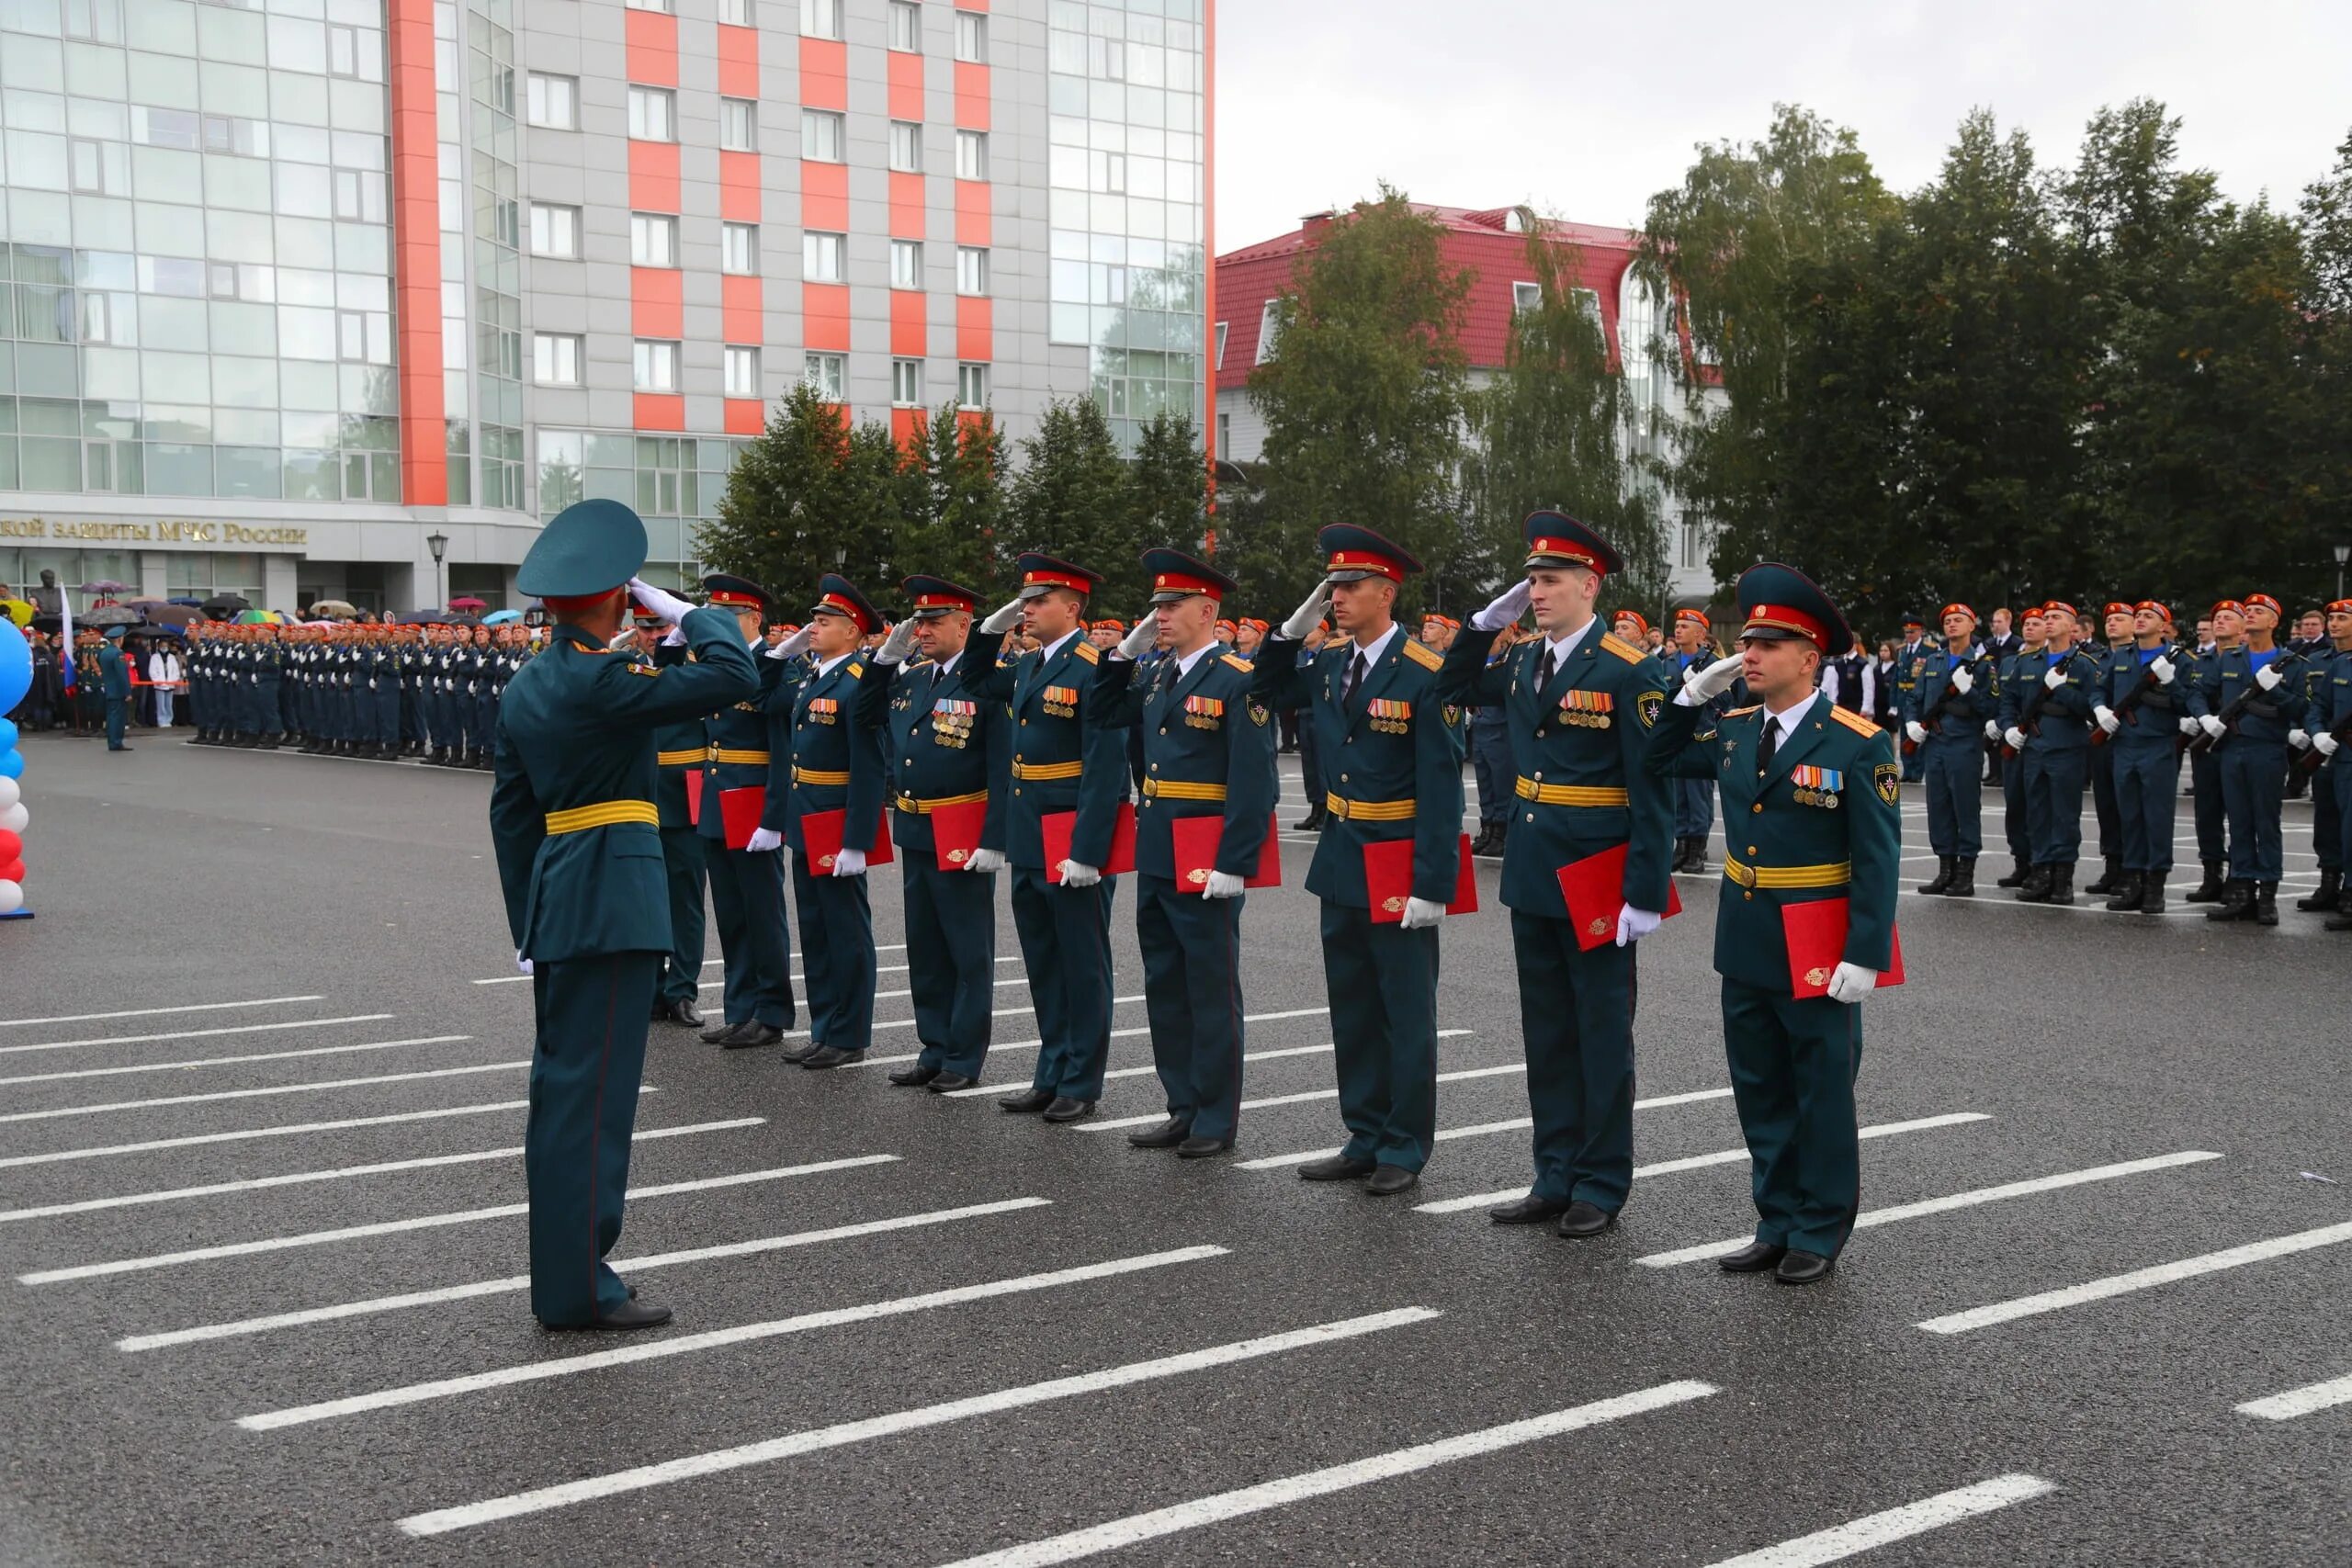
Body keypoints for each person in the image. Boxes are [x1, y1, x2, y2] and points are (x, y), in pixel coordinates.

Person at [487, 497, 758, 1331]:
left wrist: (528, 921)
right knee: (595, 1100)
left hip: (564, 899)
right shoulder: (604, 676)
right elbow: (738, 676)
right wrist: (692, 612)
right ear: (617, 598)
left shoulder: (528, 683)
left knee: (564, 1092)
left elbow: (512, 818)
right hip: (614, 898)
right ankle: (581, 1288)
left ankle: (568, 1274)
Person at [1647, 562, 1900, 1286]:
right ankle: (1776, 1218)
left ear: (1810, 658)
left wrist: (1866, 952)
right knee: (1759, 1085)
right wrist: (1690, 693)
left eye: (1768, 644)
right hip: (1749, 931)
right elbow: (1658, 757)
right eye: (1747, 641)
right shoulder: (1731, 730)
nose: (1750, 654)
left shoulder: (1856, 742)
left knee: (1820, 1087)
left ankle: (1819, 1227)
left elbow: (1876, 858)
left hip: (1819, 935)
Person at [1434, 511, 1674, 1239]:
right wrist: (1482, 623)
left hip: (1599, 871)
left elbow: (1653, 785)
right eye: (1530, 581)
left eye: (1549, 581)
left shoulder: (1629, 669)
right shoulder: (1516, 660)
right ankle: (1554, 1172)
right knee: (1547, 1031)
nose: (1535, 593)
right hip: (1537, 869)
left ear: (1588, 585)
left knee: (1600, 1031)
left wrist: (1644, 890)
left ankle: (1601, 1181)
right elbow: (1448, 684)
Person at [1253, 525, 1464, 1195]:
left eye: (1349, 586)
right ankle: (1364, 1131)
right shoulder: (1329, 662)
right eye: (1332, 586)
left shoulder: (1428, 674)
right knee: (1352, 1006)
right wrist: (1289, 630)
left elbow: (1440, 785)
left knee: (1405, 1009)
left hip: (1399, 857)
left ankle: (1404, 1144)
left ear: (1386, 591)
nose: (1337, 597)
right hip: (1343, 854)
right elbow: (1264, 685)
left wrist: (1435, 881)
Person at [1092, 549, 1279, 1158]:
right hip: (1157, 846)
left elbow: (1255, 782)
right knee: (1165, 982)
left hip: (1205, 852)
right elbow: (1103, 713)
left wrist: (1235, 861)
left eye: (1171, 607)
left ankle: (1216, 1117)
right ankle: (1182, 1103)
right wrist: (1120, 656)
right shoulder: (1153, 674)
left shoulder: (1237, 676)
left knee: (1210, 985)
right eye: (1157, 607)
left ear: (1206, 609)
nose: (1161, 616)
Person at [965, 556, 1130, 1122]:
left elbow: (1104, 769)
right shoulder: (1030, 663)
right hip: (1030, 833)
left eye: (1038, 601)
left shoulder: (1095, 667)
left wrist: (1087, 851)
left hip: (1071, 837)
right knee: (1042, 959)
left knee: (1082, 962)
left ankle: (1081, 1081)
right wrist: (991, 628)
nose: (1028, 609)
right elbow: (976, 680)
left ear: (1073, 608)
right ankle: (1051, 1068)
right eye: (1024, 601)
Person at [877, 576, 1009, 1094]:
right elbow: (869, 710)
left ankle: (963, 1055)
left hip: (961, 825)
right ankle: (932, 1047)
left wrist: (993, 837)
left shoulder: (986, 682)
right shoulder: (911, 681)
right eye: (919, 621)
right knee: (925, 946)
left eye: (934, 621)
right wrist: (888, 657)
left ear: (964, 625)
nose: (923, 629)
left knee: (966, 947)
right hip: (914, 824)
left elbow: (1001, 765)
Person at [775, 574, 890, 1068]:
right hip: (807, 819)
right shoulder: (812, 675)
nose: (813, 628)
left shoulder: (859, 682)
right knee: (815, 930)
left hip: (837, 822)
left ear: (853, 631)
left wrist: (857, 839)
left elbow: (869, 766)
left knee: (845, 931)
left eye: (824, 622)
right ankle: (825, 1026)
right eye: (813, 621)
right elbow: (765, 698)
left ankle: (849, 1033)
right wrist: (779, 656)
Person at [693, 574, 798, 1049]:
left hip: (754, 800)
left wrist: (774, 818)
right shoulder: (718, 665)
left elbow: (782, 750)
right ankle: (739, 1008)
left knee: (762, 911)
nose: (721, 624)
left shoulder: (775, 666)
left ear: (755, 618)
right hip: (718, 796)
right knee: (731, 911)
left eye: (728, 616)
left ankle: (771, 1011)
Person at [2194, 592, 2304, 926]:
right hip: (2231, 748)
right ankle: (2241, 893)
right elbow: (2198, 691)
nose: (2252, 614)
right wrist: (2204, 718)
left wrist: (2277, 691)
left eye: (2260, 611)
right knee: (2239, 823)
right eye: (2249, 611)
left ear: (2274, 622)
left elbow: (2301, 708)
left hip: (2267, 751)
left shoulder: (2292, 662)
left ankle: (2268, 895)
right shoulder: (2229, 657)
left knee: (2265, 824)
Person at [632, 609, 708, 1028]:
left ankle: (681, 989)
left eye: (663, 628)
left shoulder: (695, 672)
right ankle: (650, 988)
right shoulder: (621, 669)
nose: (655, 636)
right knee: (642, 901)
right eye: (647, 629)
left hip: (684, 798)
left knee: (684, 900)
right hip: (636, 799)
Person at [2000, 601, 2098, 904]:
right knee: (2037, 814)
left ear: (2072, 627)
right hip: (2034, 748)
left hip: (2067, 748)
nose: (2049, 621)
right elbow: (2008, 702)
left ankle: (2063, 877)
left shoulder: (2084, 665)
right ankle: (2040, 872)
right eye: (2047, 617)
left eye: (2056, 617)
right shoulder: (2027, 662)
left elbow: (2090, 709)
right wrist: (2009, 729)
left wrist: (2062, 689)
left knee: (2065, 815)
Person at [2095, 601, 2187, 913]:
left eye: (2149, 616)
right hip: (2124, 746)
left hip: (2158, 746)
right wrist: (2100, 709)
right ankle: (2132, 881)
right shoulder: (2121, 656)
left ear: (2164, 626)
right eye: (2138, 615)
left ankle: (2155, 886)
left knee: (2157, 818)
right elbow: (2099, 690)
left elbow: (2188, 702)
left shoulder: (2179, 659)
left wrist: (2171, 682)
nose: (2141, 619)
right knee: (2129, 817)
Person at [1906, 604, 1997, 897]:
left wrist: (1969, 691)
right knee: (1939, 808)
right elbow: (1914, 698)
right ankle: (1945, 870)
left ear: (1972, 625)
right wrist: (1911, 724)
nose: (1952, 625)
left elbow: (1991, 709)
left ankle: (1965, 874)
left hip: (1964, 745)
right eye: (1947, 621)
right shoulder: (1933, 661)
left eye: (1959, 620)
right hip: (1935, 744)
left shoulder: (1983, 664)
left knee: (1965, 808)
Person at [2080, 603, 2135, 897]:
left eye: (2120, 619)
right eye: (2110, 619)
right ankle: (2112, 865)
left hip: (2131, 740)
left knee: (2129, 806)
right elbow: (2092, 692)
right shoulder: (2098, 657)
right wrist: (2098, 710)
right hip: (2102, 738)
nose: (2112, 624)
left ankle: (2131, 868)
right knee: (2106, 805)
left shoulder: (2141, 656)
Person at [1668, 608, 1727, 873]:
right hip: (1675, 740)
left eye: (1684, 625)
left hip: (1701, 738)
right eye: (1677, 625)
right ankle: (1681, 845)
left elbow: (1729, 700)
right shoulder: (1667, 663)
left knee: (1698, 797)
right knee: (1678, 795)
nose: (1678, 629)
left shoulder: (1713, 663)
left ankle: (1697, 848)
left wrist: (1703, 690)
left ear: (1700, 633)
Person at [2306, 599, 2352, 931]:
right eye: (2331, 618)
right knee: (2328, 823)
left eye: (2341, 618)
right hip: (2332, 754)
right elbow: (2317, 704)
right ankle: (2331, 883)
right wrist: (2317, 733)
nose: (2334, 623)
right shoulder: (2339, 663)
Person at [1466, 622, 1520, 859]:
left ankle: (1502, 833)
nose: (1496, 635)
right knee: (1484, 782)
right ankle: (1487, 829)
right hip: (1480, 724)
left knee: (1502, 783)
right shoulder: (1483, 657)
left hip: (1500, 726)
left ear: (1510, 632)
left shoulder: (1511, 658)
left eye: (1501, 630)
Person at [1894, 615, 1931, 781]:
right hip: (1903, 697)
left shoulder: (1929, 650)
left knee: (1918, 733)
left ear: (1920, 631)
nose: (1909, 635)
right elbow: (1897, 678)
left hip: (1919, 699)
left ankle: (1917, 771)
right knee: (1904, 735)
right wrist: (1893, 702)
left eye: (1912, 631)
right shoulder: (1901, 650)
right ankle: (1907, 770)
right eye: (1906, 632)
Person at [98, 626, 134, 751]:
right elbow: (122, 674)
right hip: (118, 690)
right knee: (117, 718)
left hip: (109, 689)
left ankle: (112, 741)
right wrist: (127, 692)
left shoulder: (104, 652)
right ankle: (116, 742)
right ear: (120, 639)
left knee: (111, 716)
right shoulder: (118, 653)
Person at [147, 638, 183, 730]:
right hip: (160, 684)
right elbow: (152, 670)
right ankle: (162, 720)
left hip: (170, 683)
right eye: (162, 646)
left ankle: (168, 720)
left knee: (169, 703)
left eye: (166, 646)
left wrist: (174, 680)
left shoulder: (172, 657)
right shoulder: (154, 657)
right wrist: (157, 680)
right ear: (159, 647)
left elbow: (176, 670)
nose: (164, 648)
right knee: (161, 704)